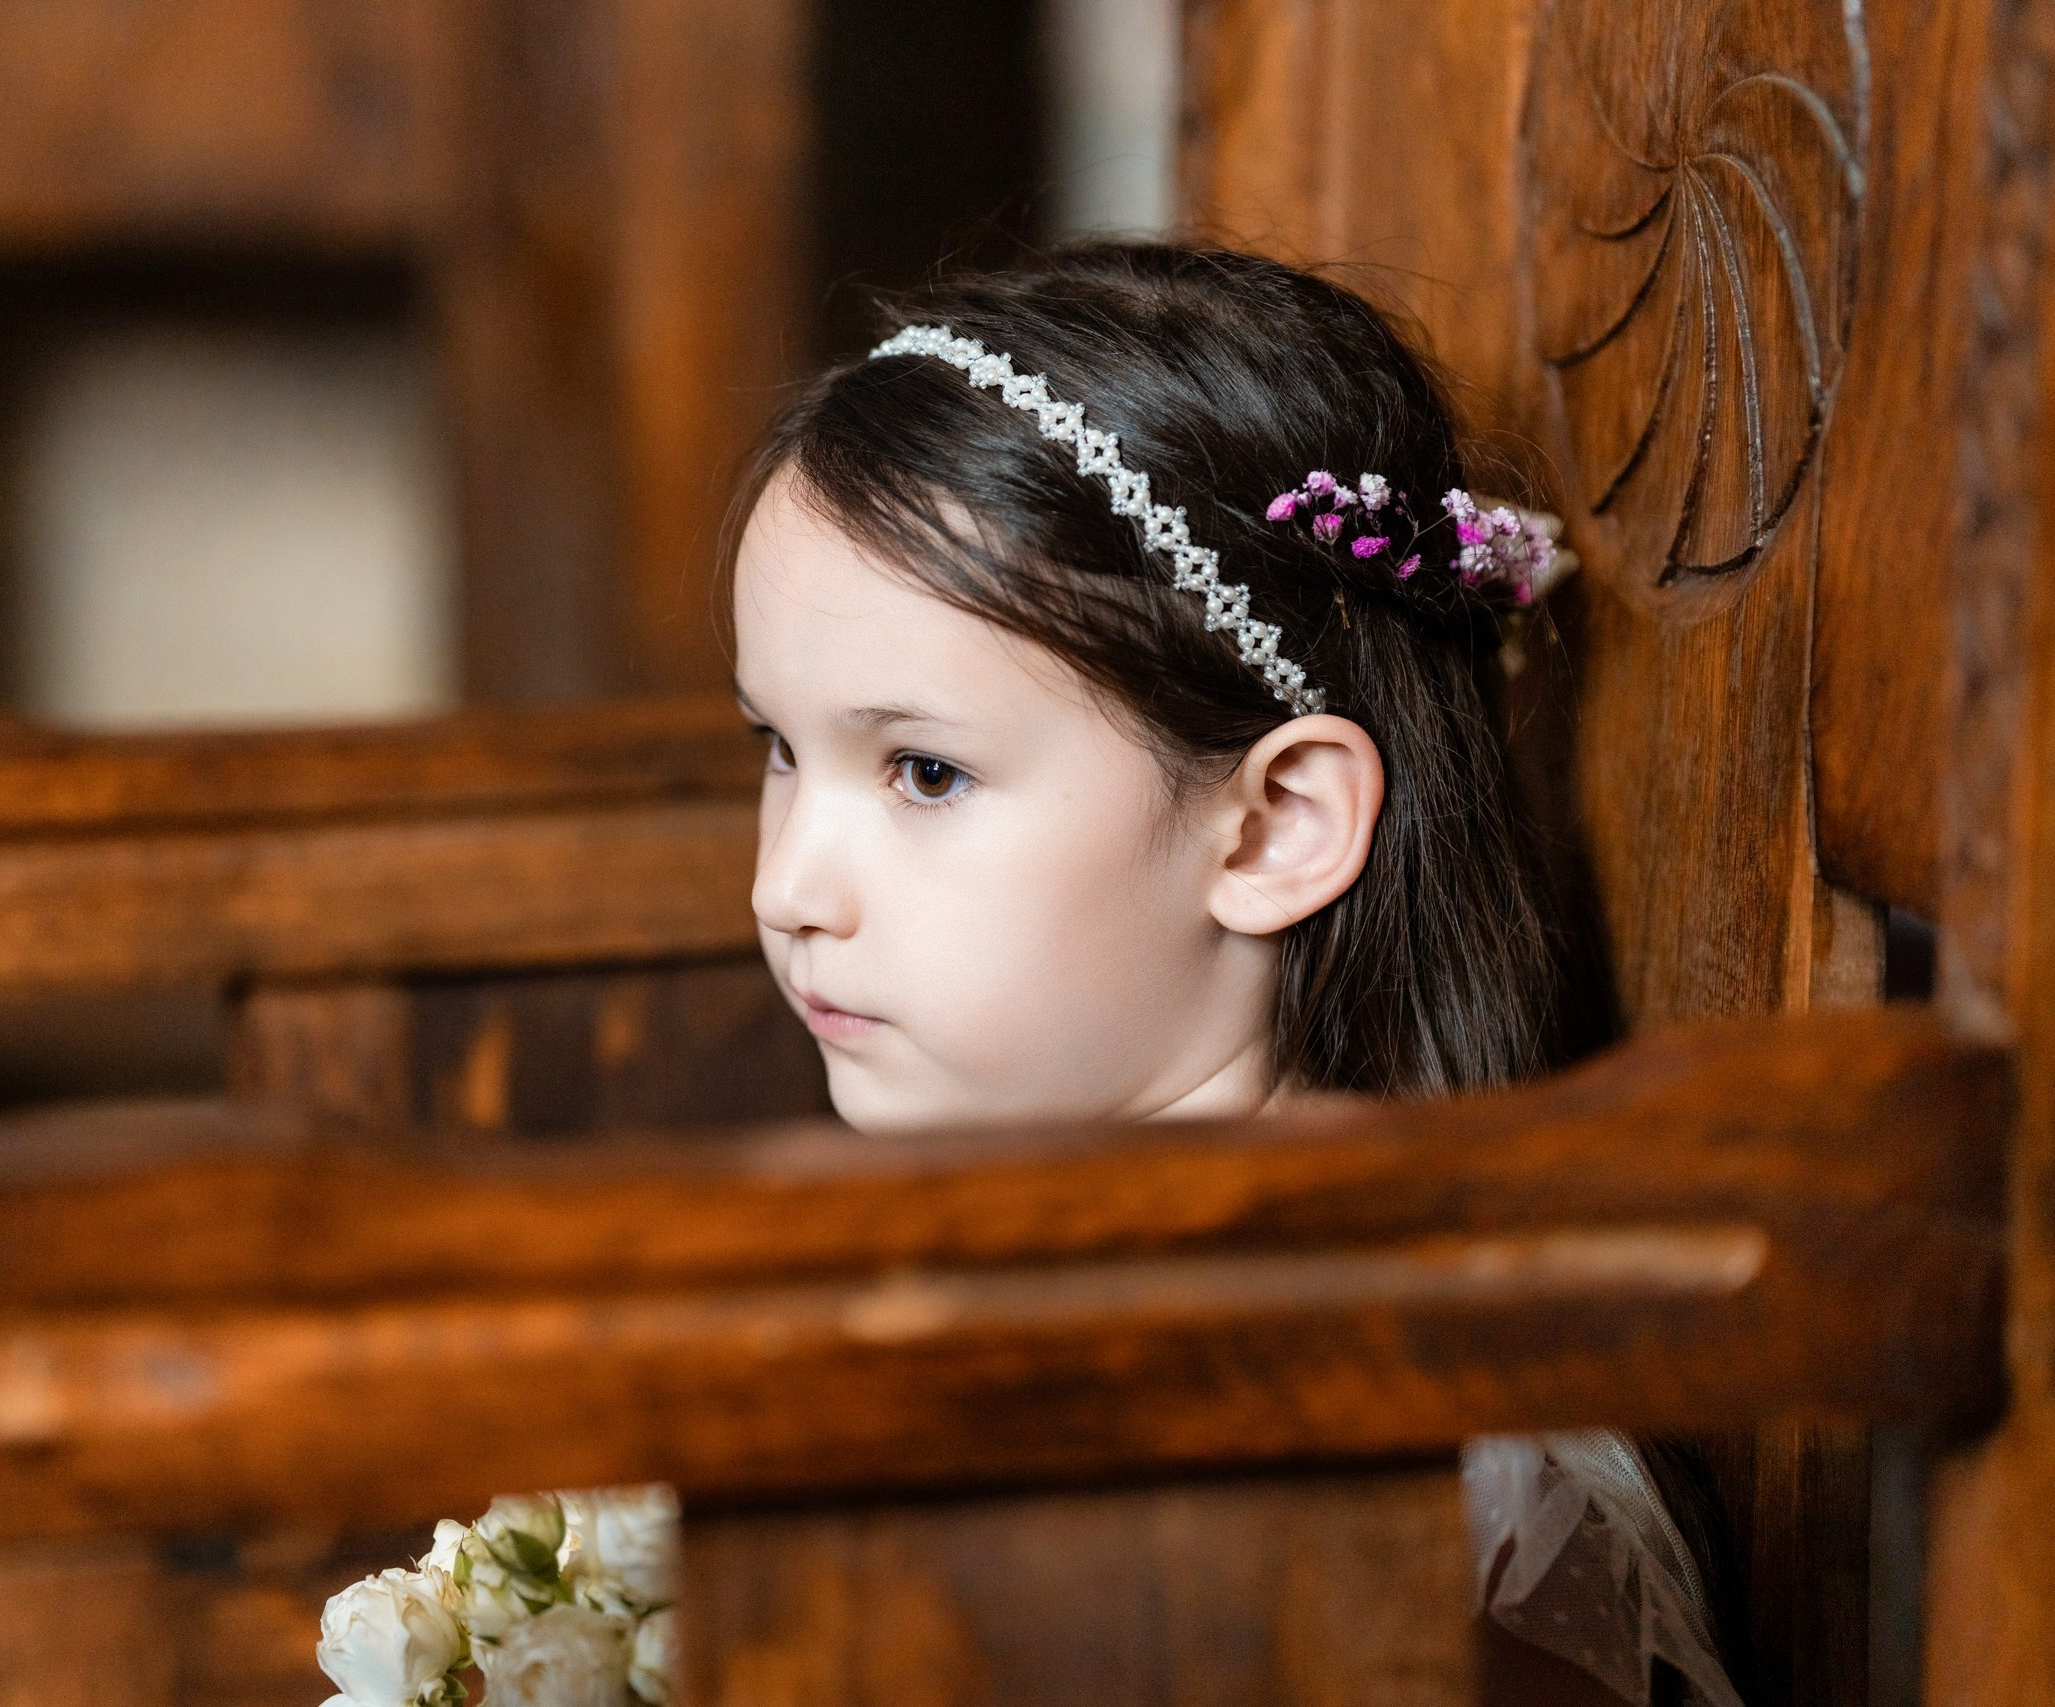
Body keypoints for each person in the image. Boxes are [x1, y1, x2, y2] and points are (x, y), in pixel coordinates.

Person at [728, 242, 1742, 1707]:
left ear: (1272, 826)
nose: (784, 889)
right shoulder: (979, 1240)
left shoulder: (1393, 1449)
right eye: (778, 747)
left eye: (924, 771)